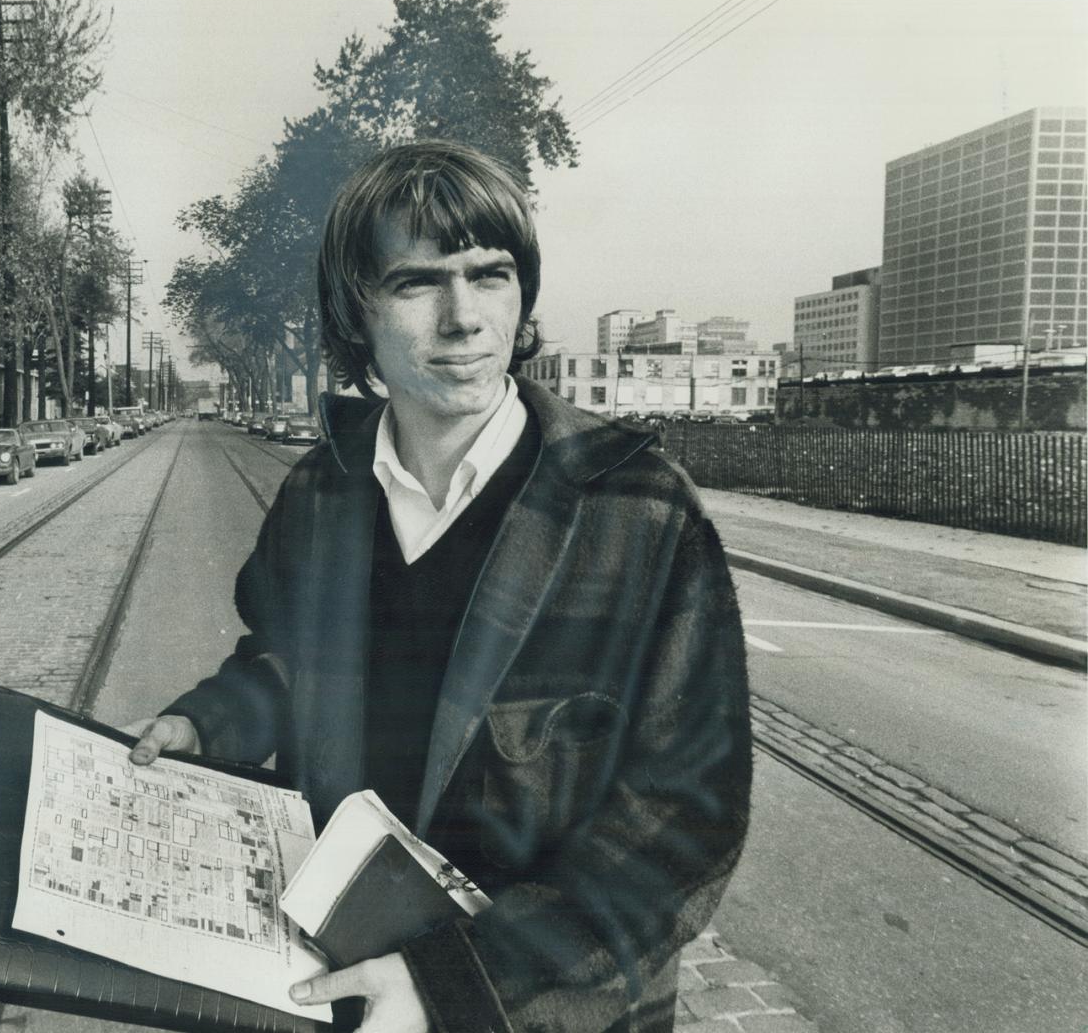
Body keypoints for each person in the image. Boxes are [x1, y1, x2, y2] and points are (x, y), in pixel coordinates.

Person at [128, 141, 752, 1033]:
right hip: (339, 983)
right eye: (418, 283)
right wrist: (207, 721)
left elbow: (686, 822)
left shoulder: (638, 512)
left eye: (489, 275)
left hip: (534, 1009)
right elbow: (284, 660)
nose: (463, 318)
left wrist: (456, 984)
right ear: (358, 312)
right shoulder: (320, 491)